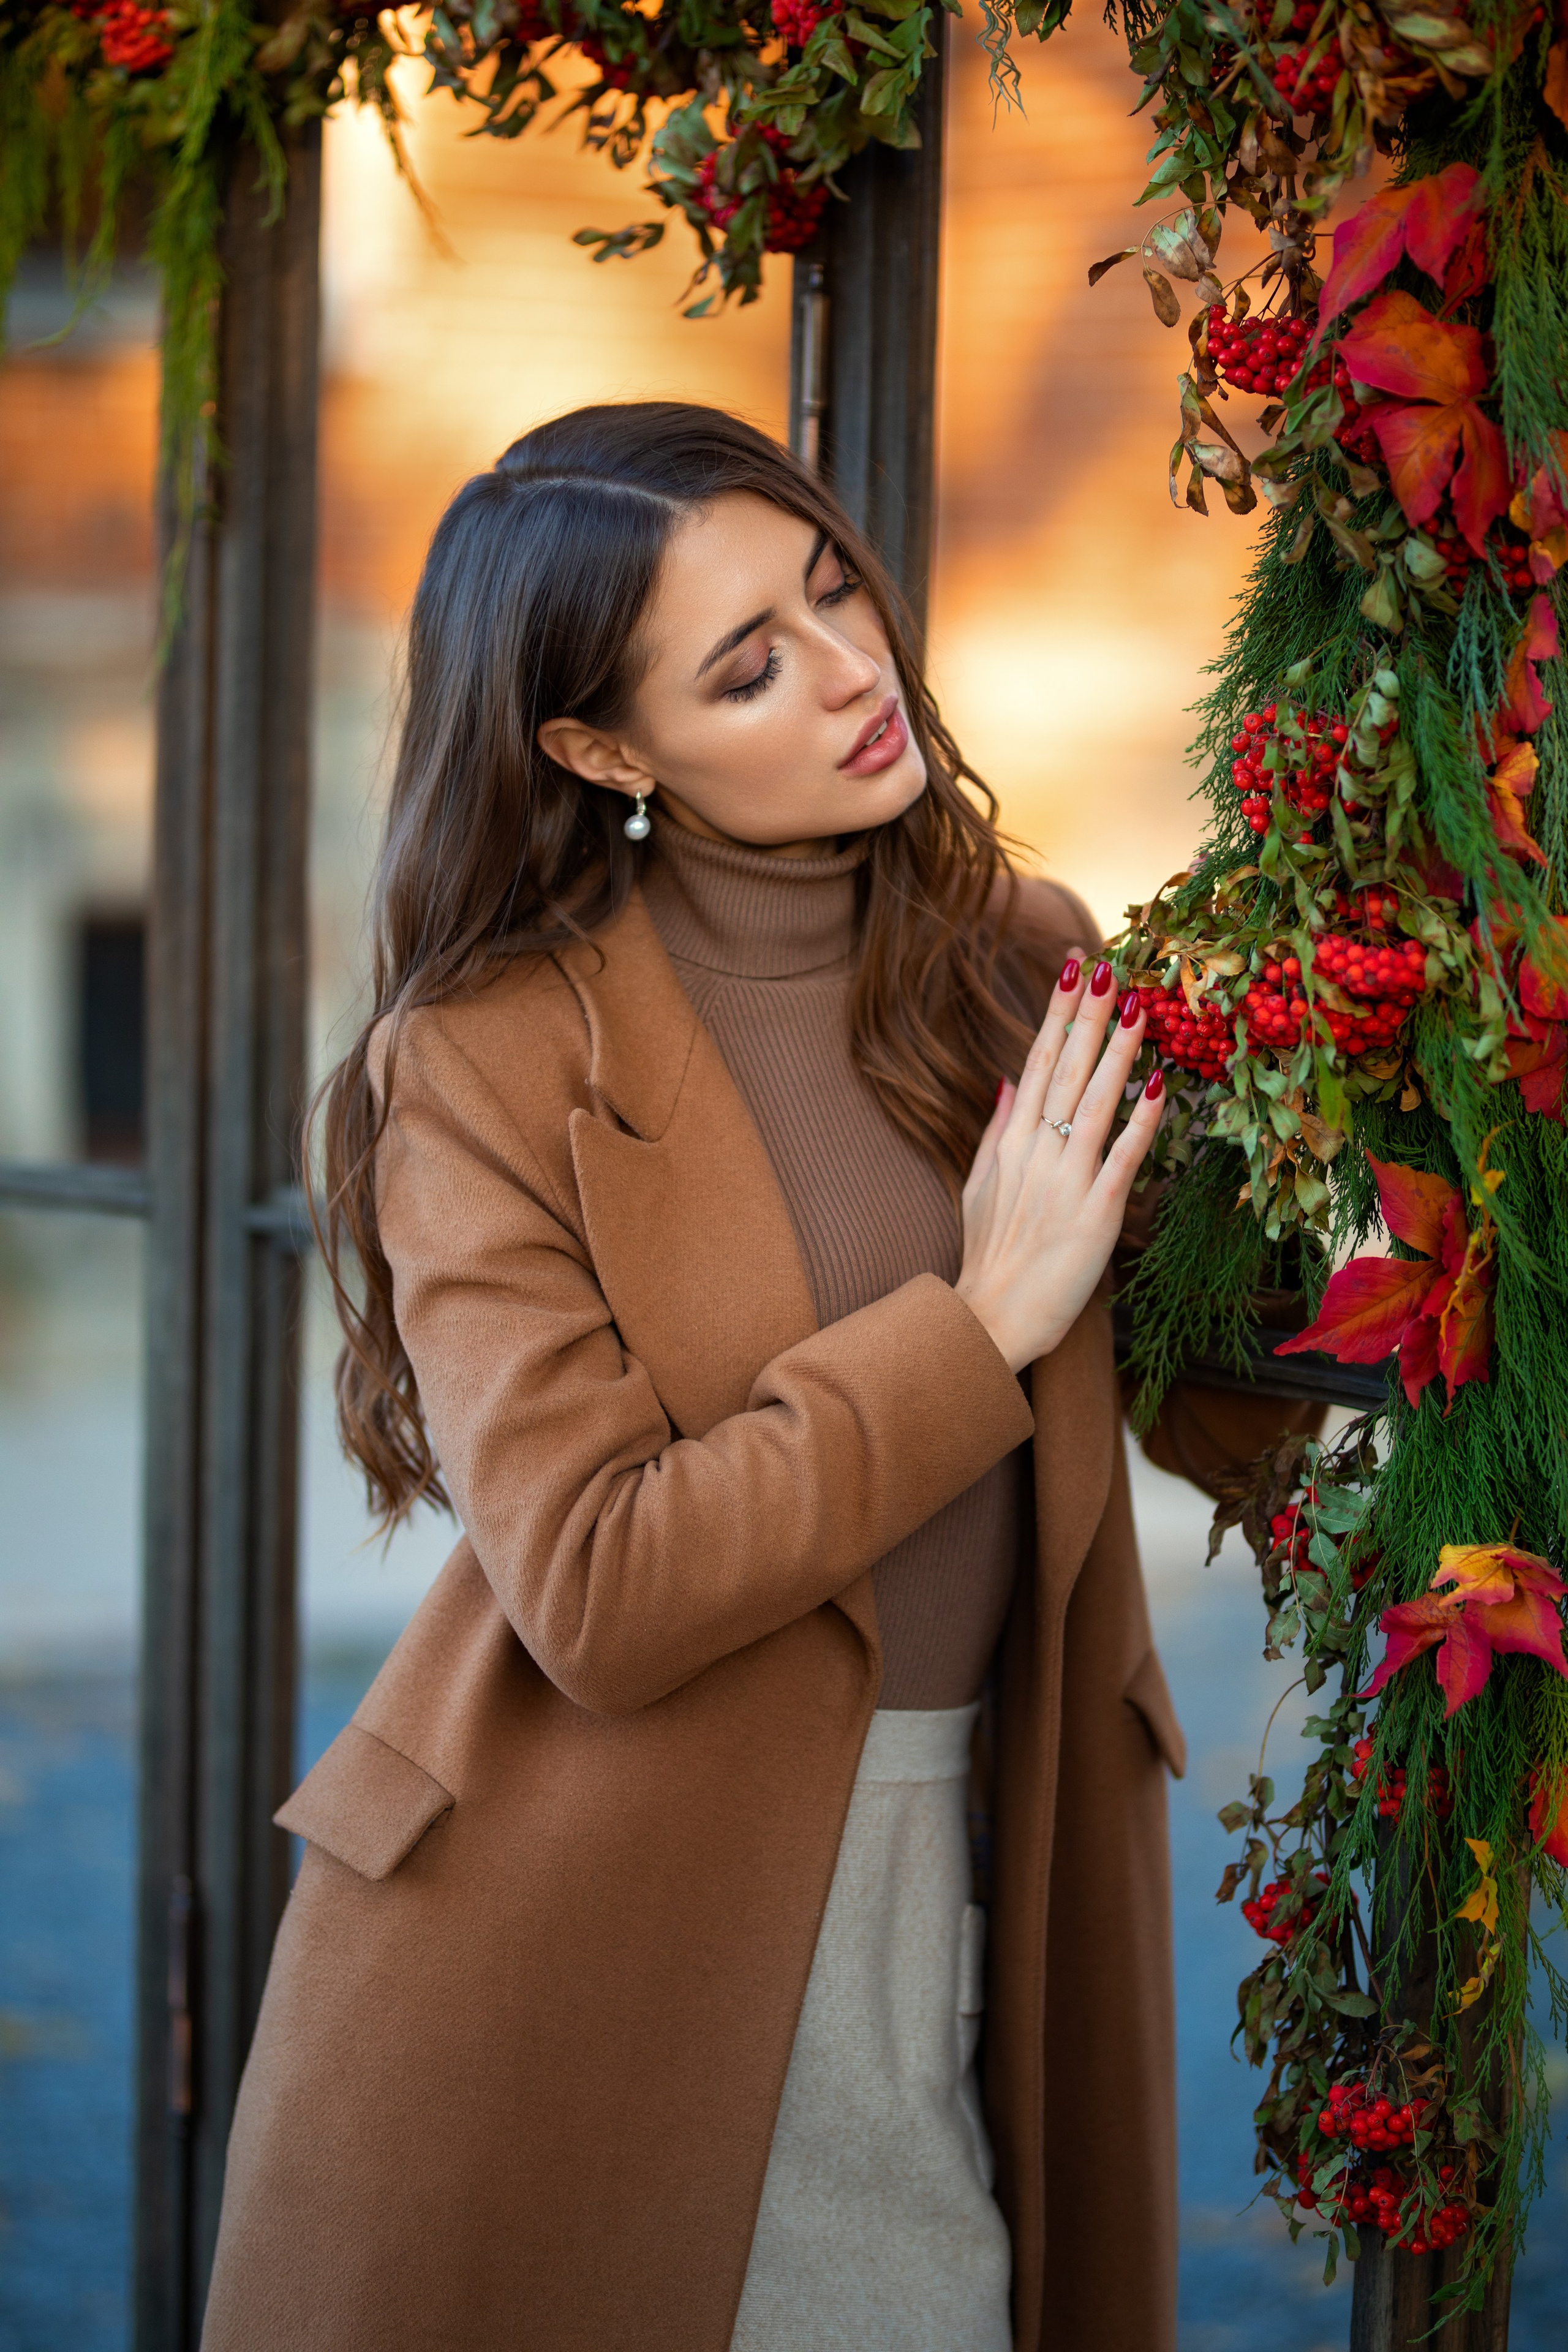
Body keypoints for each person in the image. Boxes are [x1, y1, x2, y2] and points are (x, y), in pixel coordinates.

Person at [200, 402, 1308, 2352]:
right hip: (588, 1933)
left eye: (829, 585)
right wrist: (977, 1327)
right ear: (600, 749)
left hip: (986, 1850)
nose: (855, 668)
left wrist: (1352, 1099)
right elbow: (600, 1591)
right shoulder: (483, 1059)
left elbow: (1238, 1401)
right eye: (750, 665)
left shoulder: (1018, 961)